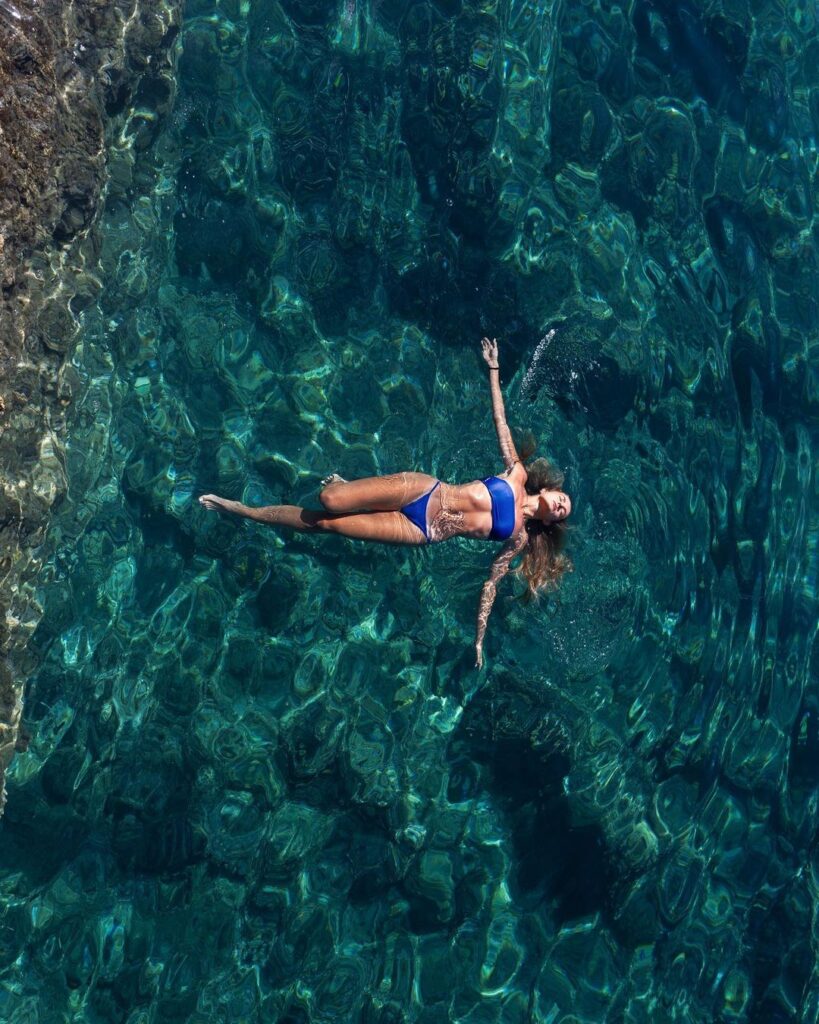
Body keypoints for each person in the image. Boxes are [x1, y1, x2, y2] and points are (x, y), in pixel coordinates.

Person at [199, 337, 572, 666]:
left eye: (562, 512)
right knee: (330, 498)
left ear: (551, 522)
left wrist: (478, 639)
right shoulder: (517, 474)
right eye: (562, 499)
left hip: (422, 529)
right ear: (551, 490)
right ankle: (349, 488)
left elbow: (492, 581)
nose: (559, 506)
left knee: (328, 524)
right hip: (425, 490)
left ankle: (241, 509)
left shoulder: (520, 537)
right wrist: (493, 369)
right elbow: (501, 423)